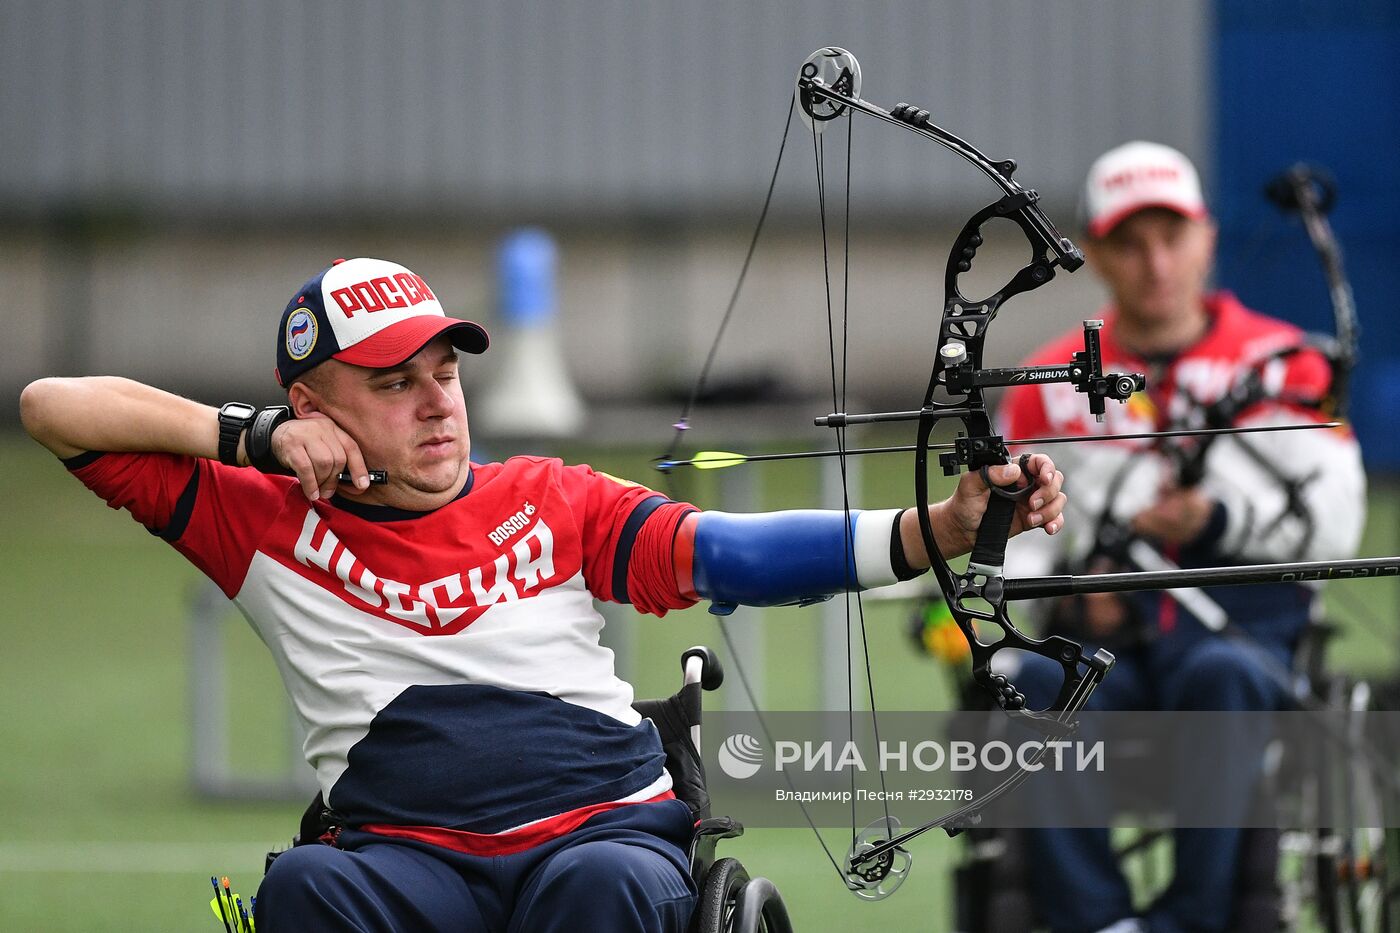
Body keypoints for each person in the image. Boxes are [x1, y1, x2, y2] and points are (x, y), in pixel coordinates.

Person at [20, 256, 1069, 933]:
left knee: (600, 892)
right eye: (394, 385)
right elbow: (53, 407)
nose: (438, 405)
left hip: (597, 842)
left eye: (446, 373)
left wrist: (936, 530)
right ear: (313, 409)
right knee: (305, 893)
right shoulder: (255, 514)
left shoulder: (548, 497)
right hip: (403, 866)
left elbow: (734, 557)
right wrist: (246, 438)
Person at [998, 142, 1365, 933]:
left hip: (1240, 637)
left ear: (1205, 236)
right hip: (1108, 648)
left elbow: (1339, 516)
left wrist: (1219, 521)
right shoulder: (1045, 382)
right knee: (1033, 685)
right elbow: (1014, 548)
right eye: (1130, 242)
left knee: (1226, 674)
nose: (1155, 262)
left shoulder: (1286, 362)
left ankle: (1192, 922)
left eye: (1172, 236)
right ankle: (1101, 923)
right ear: (1094, 253)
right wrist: (1035, 619)